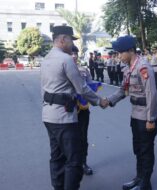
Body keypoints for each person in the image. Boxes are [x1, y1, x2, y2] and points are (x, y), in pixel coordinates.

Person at [40, 25, 108, 190]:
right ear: (63, 39)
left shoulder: (46, 59)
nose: (72, 44)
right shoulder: (66, 59)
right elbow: (82, 88)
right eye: (71, 40)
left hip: (48, 115)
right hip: (64, 117)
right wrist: (99, 101)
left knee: (56, 157)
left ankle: (58, 187)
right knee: (74, 159)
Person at [107, 35, 157, 190]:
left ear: (130, 50)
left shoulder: (143, 67)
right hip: (135, 115)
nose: (118, 56)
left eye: (120, 52)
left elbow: (152, 94)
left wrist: (151, 119)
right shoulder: (129, 68)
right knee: (138, 148)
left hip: (146, 116)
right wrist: (109, 101)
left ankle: (145, 183)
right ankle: (139, 177)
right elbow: (123, 90)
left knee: (146, 149)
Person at [71, 45, 93, 175]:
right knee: (70, 138)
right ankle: (73, 164)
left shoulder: (84, 70)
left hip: (83, 108)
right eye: (71, 53)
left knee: (83, 137)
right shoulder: (62, 69)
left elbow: (90, 86)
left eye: (75, 53)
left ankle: (83, 162)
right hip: (68, 109)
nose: (74, 56)